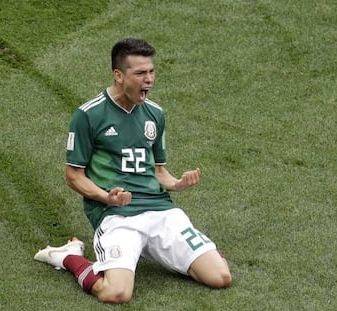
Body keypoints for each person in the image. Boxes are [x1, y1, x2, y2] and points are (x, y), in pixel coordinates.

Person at [34, 38, 231, 303]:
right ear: (118, 75)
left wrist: (176, 184)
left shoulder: (155, 114)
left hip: (160, 210)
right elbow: (73, 176)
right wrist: (106, 197)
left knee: (220, 277)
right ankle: (68, 256)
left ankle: (156, 248)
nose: (148, 79)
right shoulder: (89, 115)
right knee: (116, 293)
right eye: (140, 73)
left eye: (151, 71)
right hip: (117, 215)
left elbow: (159, 171)